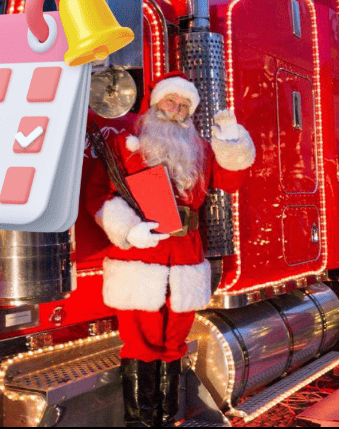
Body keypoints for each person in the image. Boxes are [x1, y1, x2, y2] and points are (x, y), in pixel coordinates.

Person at [90, 72, 255, 427]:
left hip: (184, 256)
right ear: (154, 103)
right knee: (139, 343)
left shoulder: (201, 150)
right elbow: (98, 196)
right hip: (139, 256)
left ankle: (167, 419)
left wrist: (231, 140)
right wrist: (129, 230)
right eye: (171, 101)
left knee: (174, 341)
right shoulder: (124, 143)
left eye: (184, 106)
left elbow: (232, 181)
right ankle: (140, 422)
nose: (177, 110)